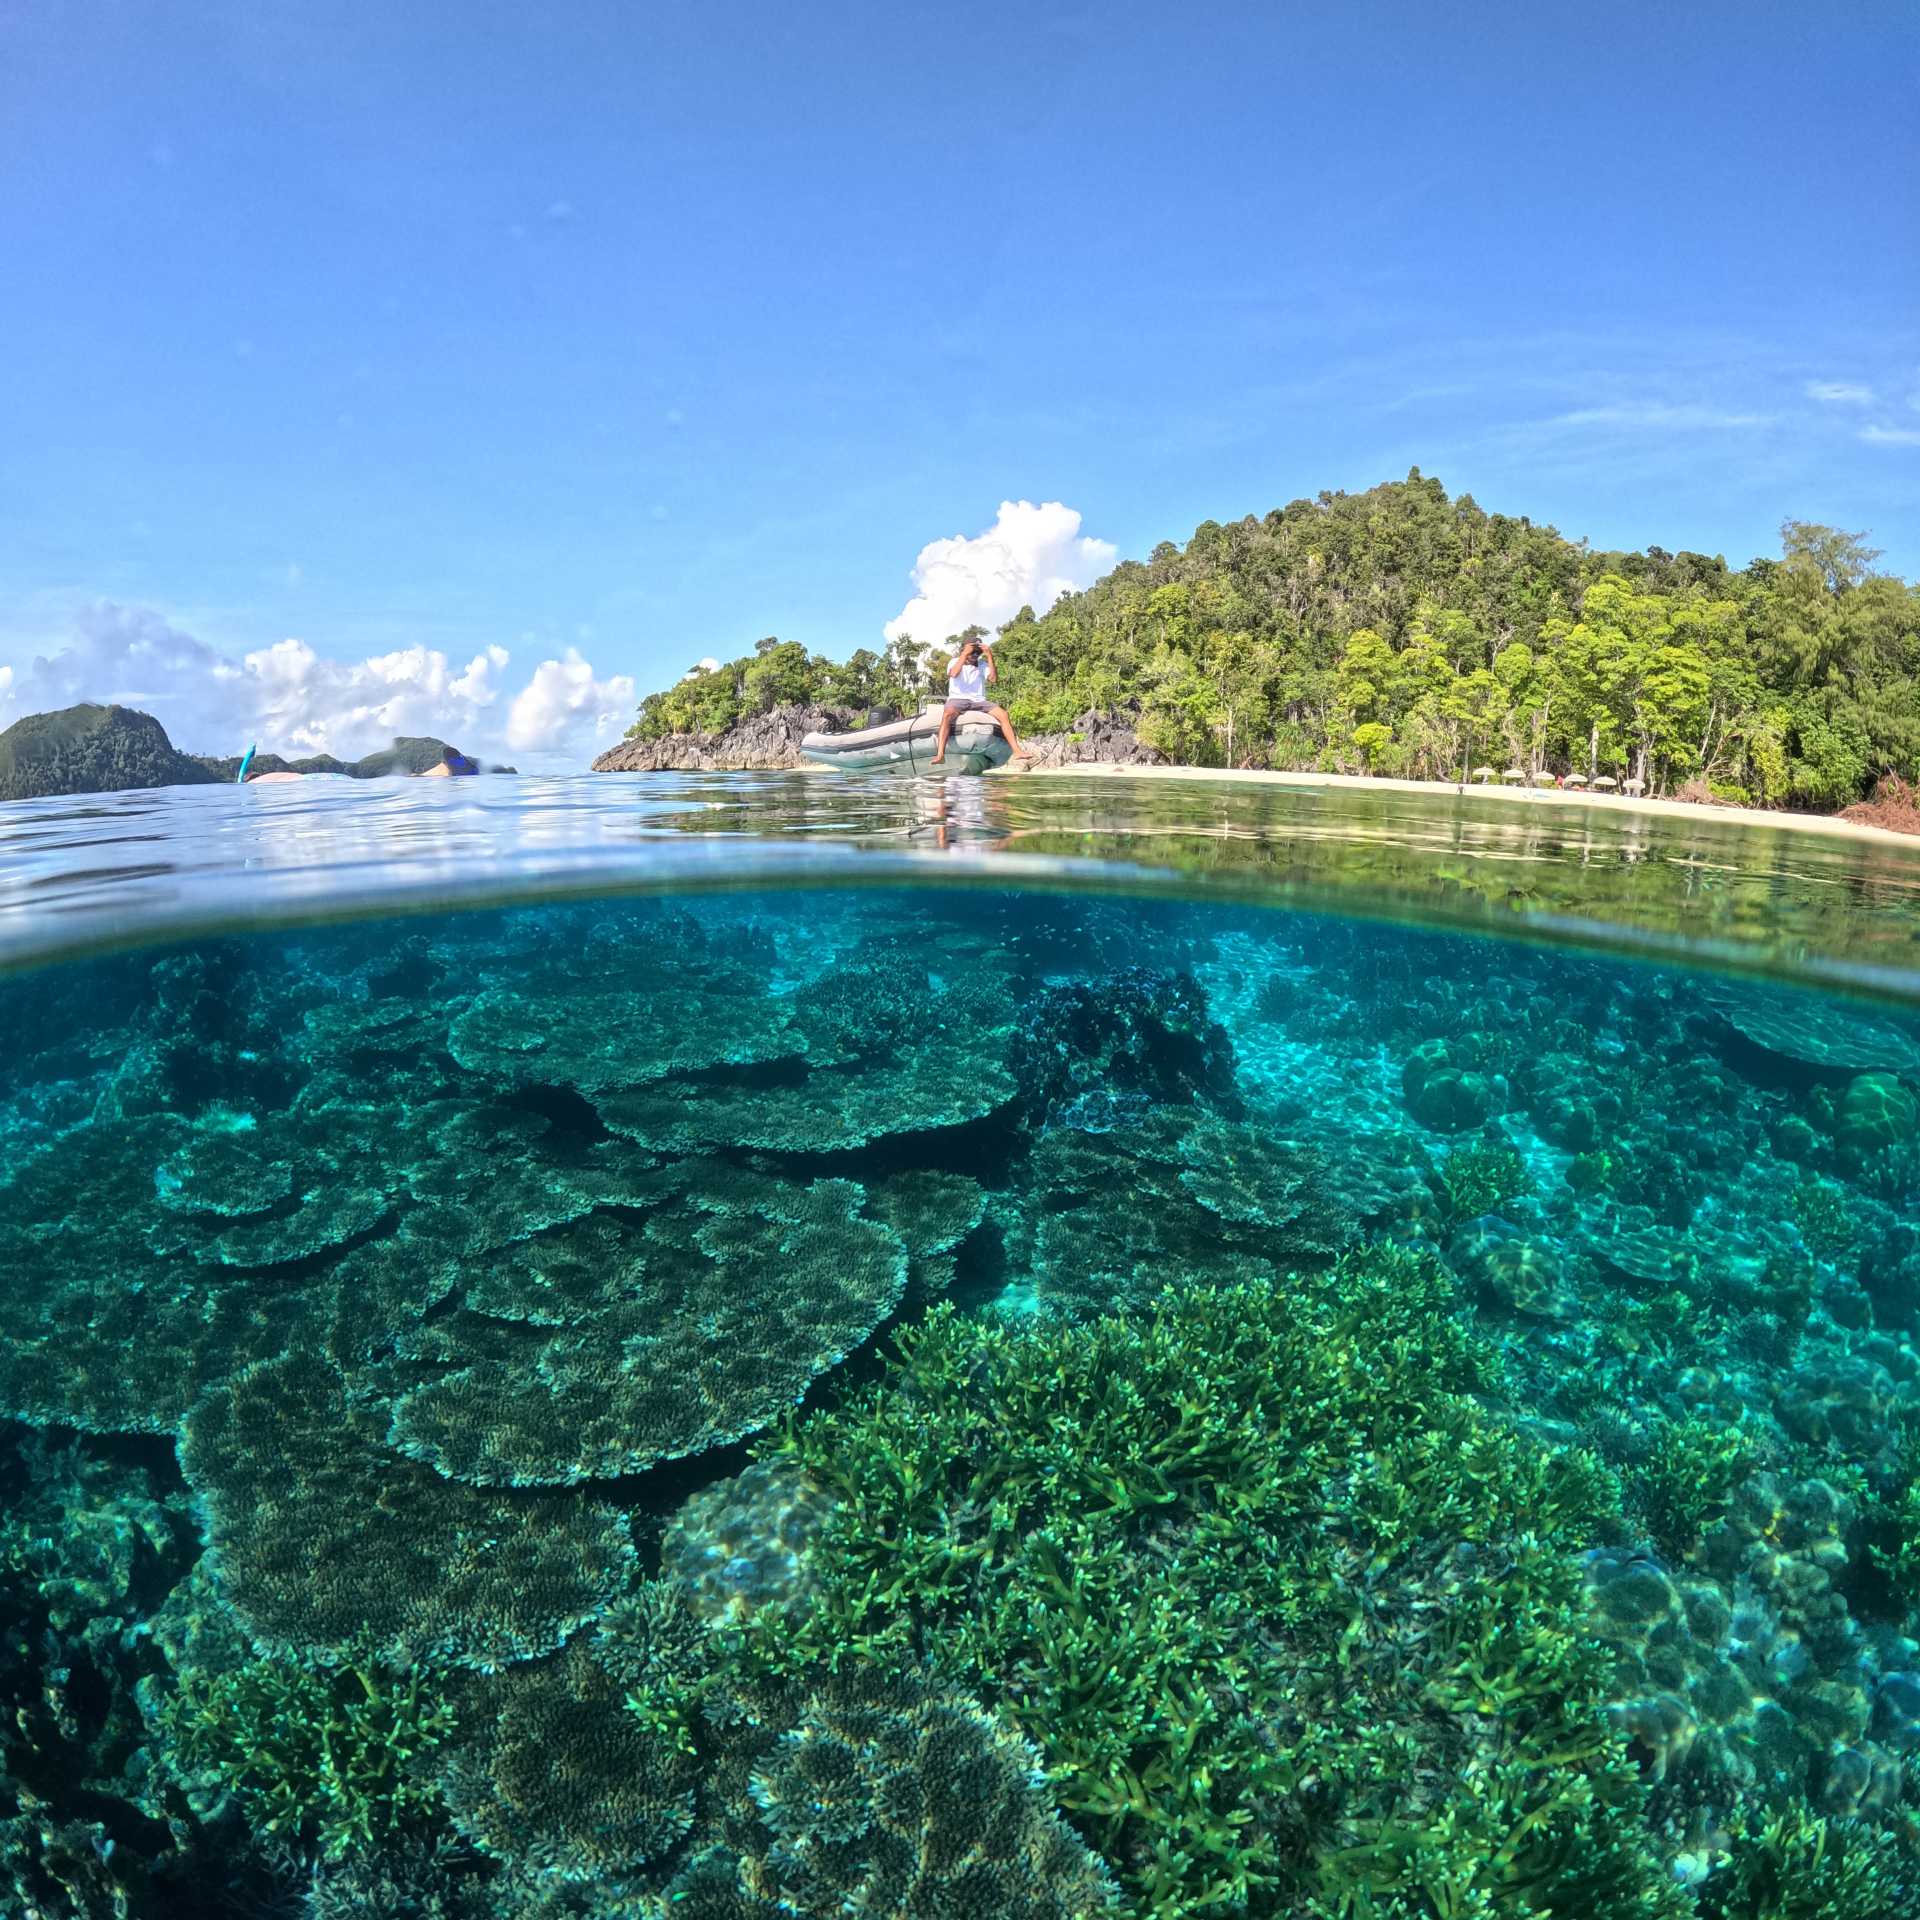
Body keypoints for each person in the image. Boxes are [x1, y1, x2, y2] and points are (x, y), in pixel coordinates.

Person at [930, 635, 1028, 767]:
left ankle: (1017, 751)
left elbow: (993, 679)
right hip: (958, 699)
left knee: (1003, 714)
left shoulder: (982, 665)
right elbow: (953, 674)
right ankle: (940, 754)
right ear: (963, 650)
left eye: (978, 652)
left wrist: (989, 655)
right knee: (947, 714)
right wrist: (965, 654)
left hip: (979, 700)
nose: (975, 654)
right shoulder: (954, 661)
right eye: (973, 651)